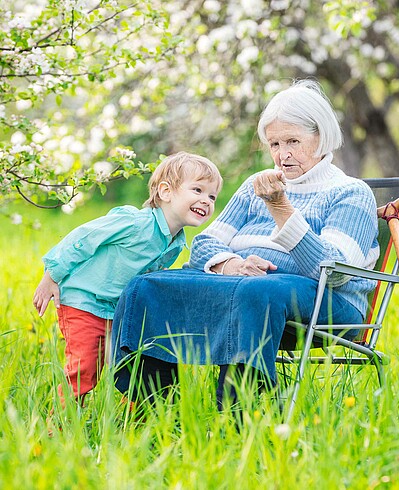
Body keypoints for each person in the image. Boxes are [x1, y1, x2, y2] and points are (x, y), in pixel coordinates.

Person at [111, 79, 379, 408]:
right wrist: (231, 265)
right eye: (275, 144)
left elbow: (333, 272)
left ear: (321, 137)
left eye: (292, 141)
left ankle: (239, 414)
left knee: (257, 291)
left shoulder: (350, 193)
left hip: (329, 301)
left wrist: (281, 208)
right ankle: (157, 411)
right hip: (244, 286)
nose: (282, 155)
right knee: (148, 285)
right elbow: (205, 242)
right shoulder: (257, 184)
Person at [33, 152, 222, 407]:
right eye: (197, 189)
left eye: (212, 196)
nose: (206, 200)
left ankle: (132, 423)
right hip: (84, 301)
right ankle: (59, 424)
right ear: (165, 192)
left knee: (132, 366)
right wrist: (52, 275)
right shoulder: (135, 222)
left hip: (119, 311)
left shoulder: (176, 243)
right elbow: (85, 237)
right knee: (85, 367)